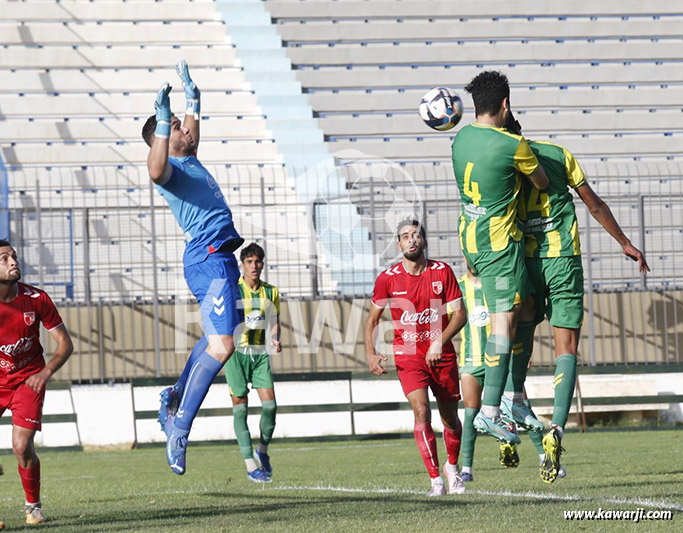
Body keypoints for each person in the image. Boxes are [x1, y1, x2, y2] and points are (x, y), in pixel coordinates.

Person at [505, 112, 649, 483]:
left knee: (519, 330)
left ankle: (514, 404)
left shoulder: (504, 161)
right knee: (565, 345)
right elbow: (594, 203)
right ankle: (556, 429)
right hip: (564, 258)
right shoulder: (559, 153)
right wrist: (625, 242)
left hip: (524, 258)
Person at [142, 61, 244, 475]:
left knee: (217, 339)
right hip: (207, 258)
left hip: (221, 258)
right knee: (224, 347)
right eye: (178, 128)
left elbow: (192, 130)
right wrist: (165, 119)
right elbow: (153, 167)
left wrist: (193, 96)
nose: (188, 129)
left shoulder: (190, 155)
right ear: (166, 137)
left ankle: (174, 395)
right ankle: (179, 427)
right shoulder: (169, 170)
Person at [451, 70, 549, 444]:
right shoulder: (513, 145)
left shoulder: (460, 139)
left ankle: (513, 396)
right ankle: (491, 410)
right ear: (505, 105)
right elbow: (540, 181)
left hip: (470, 238)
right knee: (503, 324)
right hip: (498, 246)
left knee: (526, 310)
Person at [365, 219, 468, 496]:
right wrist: (371, 353)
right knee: (421, 411)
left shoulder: (442, 272)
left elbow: (460, 315)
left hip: (441, 354)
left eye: (416, 235)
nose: (411, 239)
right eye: (405, 236)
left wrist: (439, 341)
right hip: (408, 355)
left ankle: (453, 468)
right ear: (398, 245)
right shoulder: (388, 278)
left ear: (423, 241)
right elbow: (372, 320)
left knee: (450, 419)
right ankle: (436, 480)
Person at [0, 240, 74, 524]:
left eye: (14, 257)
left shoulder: (36, 299)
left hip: (27, 381)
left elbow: (65, 344)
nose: (13, 262)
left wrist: (45, 373)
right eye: (4, 258)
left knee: (21, 447)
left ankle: (33, 507)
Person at [227, 243, 281, 483]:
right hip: (236, 355)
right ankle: (250, 464)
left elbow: (275, 320)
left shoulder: (271, 292)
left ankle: (263, 450)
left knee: (270, 406)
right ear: (242, 265)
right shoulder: (233, 290)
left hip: (259, 354)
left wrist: (275, 338)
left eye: (258, 261)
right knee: (241, 407)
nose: (254, 266)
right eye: (249, 262)